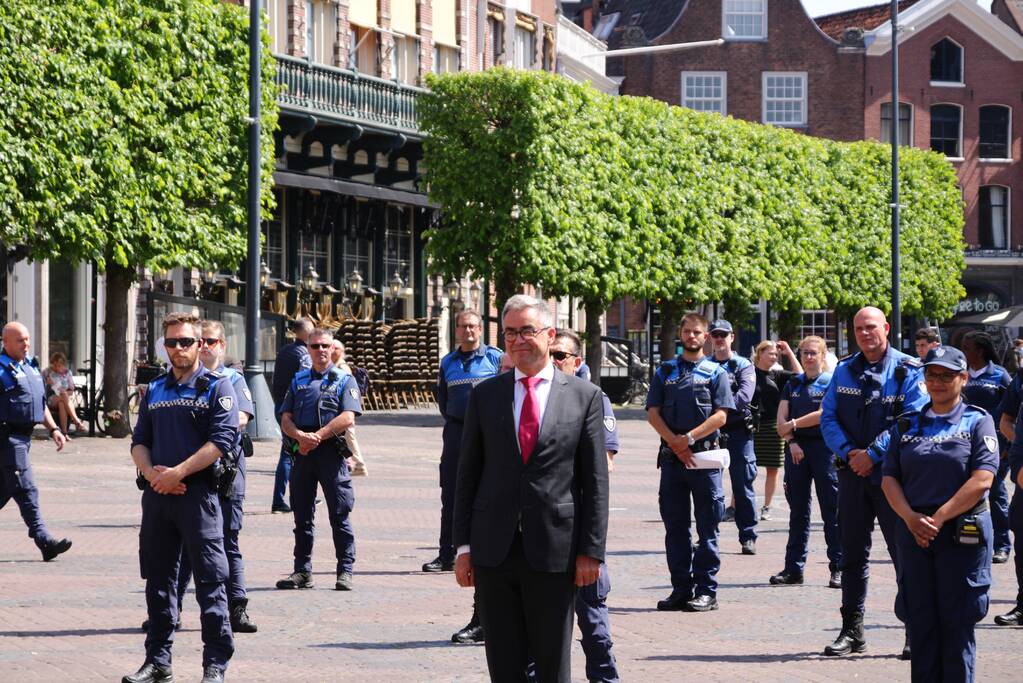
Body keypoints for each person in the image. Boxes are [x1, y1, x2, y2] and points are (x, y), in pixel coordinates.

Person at [453, 295, 607, 683]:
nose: (518, 340)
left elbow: (595, 481)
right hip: (494, 552)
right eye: (510, 333)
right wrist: (463, 547)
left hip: (556, 551)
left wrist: (591, 551)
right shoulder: (485, 395)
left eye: (527, 330)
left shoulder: (583, 396)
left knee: (553, 666)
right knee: (504, 667)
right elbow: (467, 476)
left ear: (549, 335)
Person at [127, 312, 238, 683]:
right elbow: (140, 442)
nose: (178, 348)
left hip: (198, 496)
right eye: (171, 342)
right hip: (158, 497)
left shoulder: (216, 387)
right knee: (158, 581)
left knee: (210, 581)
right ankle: (158, 661)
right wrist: (152, 474)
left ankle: (214, 666)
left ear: (201, 345)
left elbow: (221, 443)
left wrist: (179, 473)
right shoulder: (155, 389)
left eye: (185, 341)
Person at [881, 345, 997, 682]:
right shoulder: (906, 424)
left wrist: (940, 517)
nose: (938, 382)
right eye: (932, 375)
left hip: (960, 531)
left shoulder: (978, 421)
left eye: (947, 376)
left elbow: (983, 479)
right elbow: (889, 478)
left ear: (963, 378)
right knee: (921, 623)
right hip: (914, 532)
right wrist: (909, 518)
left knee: (957, 623)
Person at [819, 306, 926, 658]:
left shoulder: (908, 370)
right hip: (852, 476)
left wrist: (873, 454)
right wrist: (852, 453)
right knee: (851, 556)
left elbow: (912, 419)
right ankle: (852, 630)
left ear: (886, 329)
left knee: (905, 555)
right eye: (859, 329)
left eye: (871, 327)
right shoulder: (843, 369)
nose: (865, 334)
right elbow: (828, 417)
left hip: (894, 478)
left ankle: (915, 630)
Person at [151, 321, 258, 635]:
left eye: (212, 341)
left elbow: (240, 418)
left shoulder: (231, 380)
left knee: (227, 540)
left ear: (221, 345)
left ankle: (236, 608)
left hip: (225, 474)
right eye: (204, 341)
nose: (207, 346)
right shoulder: (173, 383)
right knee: (183, 543)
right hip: (189, 477)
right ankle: (176, 608)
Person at [646, 312, 735, 613]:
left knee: (708, 527)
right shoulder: (666, 370)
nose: (692, 337)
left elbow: (722, 415)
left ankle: (707, 590)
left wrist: (689, 439)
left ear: (706, 336)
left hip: (704, 458)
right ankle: (681, 589)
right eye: (687, 332)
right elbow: (653, 412)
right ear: (680, 334)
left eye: (697, 332)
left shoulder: (715, 373)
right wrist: (675, 442)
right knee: (675, 528)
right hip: (672, 460)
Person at [427, 309, 504, 644]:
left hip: (490, 433)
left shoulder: (496, 358)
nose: (469, 330)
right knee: (453, 495)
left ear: (480, 329)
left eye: (474, 325)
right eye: (463, 326)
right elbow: (443, 401)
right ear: (456, 330)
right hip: (457, 432)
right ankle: (448, 551)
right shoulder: (447, 362)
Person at [548, 329, 620, 683]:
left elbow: (604, 466)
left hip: (579, 526)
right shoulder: (534, 399)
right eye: (550, 354)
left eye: (561, 355)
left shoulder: (594, 399)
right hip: (544, 530)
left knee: (593, 622)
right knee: (540, 627)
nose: (554, 361)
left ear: (577, 362)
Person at [275, 328, 362, 592]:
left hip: (330, 454)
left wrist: (318, 436)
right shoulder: (298, 380)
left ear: (333, 348)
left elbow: (348, 416)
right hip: (302, 454)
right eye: (315, 346)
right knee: (302, 515)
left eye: (325, 345)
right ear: (308, 349)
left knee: (339, 514)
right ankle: (302, 571)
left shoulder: (344, 380)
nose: (321, 350)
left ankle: (345, 570)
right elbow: (285, 417)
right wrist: (300, 436)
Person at [771, 335, 841, 588]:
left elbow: (824, 415)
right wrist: (791, 440)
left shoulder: (831, 382)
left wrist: (794, 424)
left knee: (831, 511)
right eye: (805, 353)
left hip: (824, 450)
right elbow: (781, 420)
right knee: (798, 512)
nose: (809, 357)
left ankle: (838, 567)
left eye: (813, 353)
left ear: (823, 356)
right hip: (796, 450)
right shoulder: (793, 384)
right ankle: (794, 569)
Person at [0, 322, 71, 562]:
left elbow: (39, 405)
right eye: (20, 340)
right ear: (5, 342)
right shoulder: (0, 369)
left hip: (24, 438)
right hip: (7, 438)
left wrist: (54, 430)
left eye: (27, 339)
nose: (26, 344)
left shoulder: (30, 366)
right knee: (26, 487)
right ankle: (43, 539)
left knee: (5, 490)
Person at [704, 320, 758, 554]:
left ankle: (748, 536)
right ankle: (707, 536)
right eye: (715, 335)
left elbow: (745, 395)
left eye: (723, 335)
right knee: (708, 487)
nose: (719, 339)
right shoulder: (704, 366)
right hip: (711, 433)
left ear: (732, 337)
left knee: (742, 486)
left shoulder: (743, 365)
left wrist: (719, 412)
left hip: (738, 432)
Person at [961, 331, 1011, 564]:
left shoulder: (1000, 376)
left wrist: (1008, 443)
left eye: (967, 347)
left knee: (996, 491)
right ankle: (968, 537)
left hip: (996, 443)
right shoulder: (961, 374)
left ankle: (1001, 544)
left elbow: (1013, 411)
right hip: (964, 442)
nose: (964, 351)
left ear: (980, 350)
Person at [751, 339, 800, 522]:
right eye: (770, 353)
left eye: (775, 354)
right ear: (760, 353)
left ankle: (766, 507)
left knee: (772, 469)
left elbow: (800, 375)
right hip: (751, 426)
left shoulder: (777, 375)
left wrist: (788, 351)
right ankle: (736, 504)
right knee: (746, 468)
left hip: (773, 426)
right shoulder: (749, 373)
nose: (773, 357)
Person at [270, 318, 313, 514]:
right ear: (305, 333)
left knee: (292, 454)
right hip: (293, 410)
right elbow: (305, 383)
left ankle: (299, 496)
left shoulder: (285, 350)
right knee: (289, 455)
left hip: (280, 405)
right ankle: (281, 500)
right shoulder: (304, 354)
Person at [330, 339, 368, 477]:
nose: (332, 350)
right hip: (340, 409)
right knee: (345, 437)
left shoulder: (342, 368)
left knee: (349, 436)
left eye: (336, 348)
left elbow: (348, 390)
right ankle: (350, 463)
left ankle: (358, 464)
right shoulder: (335, 366)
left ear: (341, 351)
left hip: (344, 409)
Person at [42, 351, 85, 434]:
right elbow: (39, 384)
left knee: (62, 403)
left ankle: (64, 433)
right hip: (51, 399)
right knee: (63, 396)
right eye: (54, 365)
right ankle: (76, 420)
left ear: (63, 365)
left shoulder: (67, 373)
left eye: (59, 365)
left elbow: (71, 391)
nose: (56, 368)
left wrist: (64, 393)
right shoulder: (47, 372)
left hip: (64, 399)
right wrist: (47, 383)